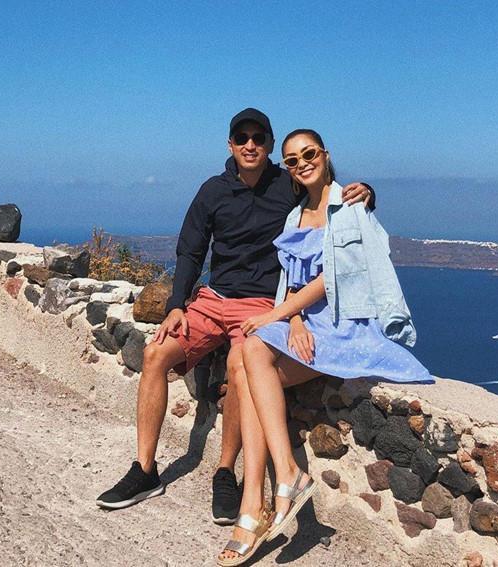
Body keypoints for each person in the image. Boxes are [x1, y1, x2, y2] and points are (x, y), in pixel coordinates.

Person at [96, 110, 374, 525]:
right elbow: (190, 250)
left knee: (238, 367)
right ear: (230, 144)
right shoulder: (213, 190)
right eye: (241, 137)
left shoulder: (287, 184)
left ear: (269, 145)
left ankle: (225, 472)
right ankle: (145, 470)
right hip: (213, 299)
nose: (250, 144)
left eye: (258, 138)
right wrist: (177, 304)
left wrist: (368, 191)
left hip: (262, 304)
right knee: (155, 354)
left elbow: (325, 195)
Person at [217, 129, 432, 566]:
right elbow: (292, 283)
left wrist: (277, 315)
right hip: (310, 323)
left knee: (247, 356)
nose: (302, 163)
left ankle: (258, 502)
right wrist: (293, 320)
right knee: (244, 358)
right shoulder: (294, 218)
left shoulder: (350, 205)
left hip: (347, 327)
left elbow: (332, 277)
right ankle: (271, 487)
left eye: (309, 153)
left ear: (325, 154)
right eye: (292, 160)